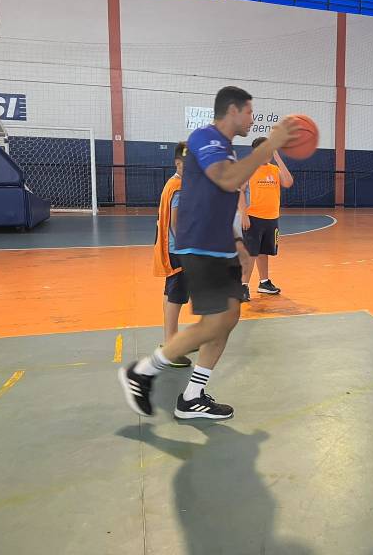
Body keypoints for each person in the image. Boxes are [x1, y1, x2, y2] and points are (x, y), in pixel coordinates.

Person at [119, 86, 299, 420]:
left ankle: (192, 395)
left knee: (228, 319)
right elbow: (228, 181)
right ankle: (142, 373)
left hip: (219, 245)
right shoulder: (204, 137)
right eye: (249, 112)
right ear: (232, 111)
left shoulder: (227, 149)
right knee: (214, 323)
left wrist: (239, 244)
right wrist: (272, 145)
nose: (253, 118)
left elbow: (221, 199)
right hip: (200, 244)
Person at [151, 142, 193, 368]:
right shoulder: (178, 187)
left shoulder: (175, 183)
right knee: (176, 296)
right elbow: (177, 222)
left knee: (171, 293)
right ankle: (170, 347)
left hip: (174, 248)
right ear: (179, 163)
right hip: (179, 250)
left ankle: (172, 339)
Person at [239, 137, 294, 298]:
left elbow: (288, 182)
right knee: (251, 253)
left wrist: (277, 157)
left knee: (264, 252)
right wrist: (244, 214)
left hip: (271, 218)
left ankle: (264, 282)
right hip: (253, 217)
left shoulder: (274, 169)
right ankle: (243, 286)